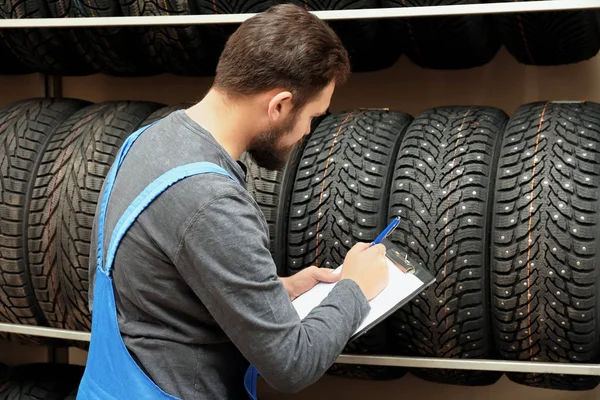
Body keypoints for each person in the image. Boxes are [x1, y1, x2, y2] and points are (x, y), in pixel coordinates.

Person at [77, 4, 389, 399]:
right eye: (313, 116)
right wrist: (355, 289)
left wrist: (275, 291)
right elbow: (293, 365)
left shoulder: (147, 141)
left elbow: (156, 288)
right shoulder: (211, 200)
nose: (308, 132)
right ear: (279, 105)